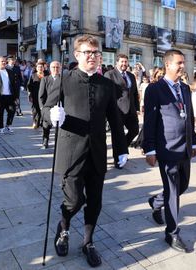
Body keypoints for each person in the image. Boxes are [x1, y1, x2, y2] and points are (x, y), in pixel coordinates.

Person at [49, 35, 128, 267]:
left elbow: (114, 119)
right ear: (77, 55)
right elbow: (47, 107)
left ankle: (88, 242)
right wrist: (52, 116)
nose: (92, 56)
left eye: (96, 53)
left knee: (95, 202)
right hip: (70, 152)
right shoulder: (64, 79)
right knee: (74, 201)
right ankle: (63, 227)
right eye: (87, 52)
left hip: (97, 153)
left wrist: (121, 149)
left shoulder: (107, 84)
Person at [142, 49, 196, 253]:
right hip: (167, 148)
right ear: (168, 65)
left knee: (182, 186)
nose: (183, 66)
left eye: (183, 63)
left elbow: (189, 116)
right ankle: (172, 233)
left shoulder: (184, 88)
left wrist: (193, 142)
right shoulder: (154, 89)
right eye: (179, 63)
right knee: (173, 192)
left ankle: (156, 202)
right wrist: (149, 148)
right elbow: (149, 121)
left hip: (185, 146)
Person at [104, 54, 140, 169]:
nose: (124, 64)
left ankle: (123, 147)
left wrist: (137, 108)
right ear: (117, 63)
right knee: (117, 135)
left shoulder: (131, 75)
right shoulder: (109, 74)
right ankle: (117, 159)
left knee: (134, 130)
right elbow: (107, 93)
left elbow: (134, 93)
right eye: (122, 62)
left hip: (131, 109)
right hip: (117, 110)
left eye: (126, 62)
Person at [38, 61, 61, 149]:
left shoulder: (63, 79)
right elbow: (41, 95)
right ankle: (45, 141)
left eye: (57, 67)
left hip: (59, 106)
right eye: (53, 67)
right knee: (46, 125)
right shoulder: (45, 79)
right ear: (50, 68)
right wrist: (42, 107)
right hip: (48, 106)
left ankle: (58, 143)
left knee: (60, 126)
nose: (56, 69)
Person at [27, 61, 45, 129]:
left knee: (42, 109)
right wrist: (29, 95)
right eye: (39, 67)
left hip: (44, 96)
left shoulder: (46, 75)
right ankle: (35, 122)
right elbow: (29, 86)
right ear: (36, 68)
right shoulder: (33, 75)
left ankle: (41, 122)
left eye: (41, 67)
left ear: (43, 68)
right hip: (35, 95)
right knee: (35, 110)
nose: (40, 68)